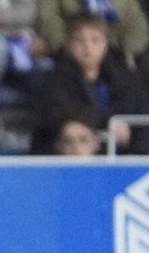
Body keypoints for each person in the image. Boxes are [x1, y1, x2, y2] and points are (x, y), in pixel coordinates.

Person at [32, 11, 149, 153]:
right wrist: (110, 123)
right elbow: (63, 113)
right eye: (79, 41)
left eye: (95, 40)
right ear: (68, 44)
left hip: (126, 157)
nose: (88, 48)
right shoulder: (54, 79)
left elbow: (138, 109)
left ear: (106, 43)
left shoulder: (124, 76)